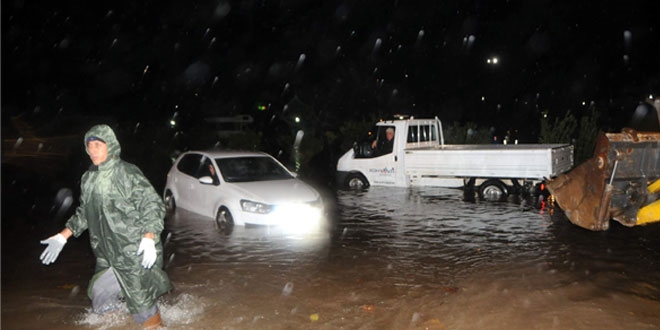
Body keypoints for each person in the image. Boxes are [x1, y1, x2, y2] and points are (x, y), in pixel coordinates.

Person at [39, 124, 171, 329]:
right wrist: (62, 237)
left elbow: (152, 205)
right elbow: (84, 213)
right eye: (89, 145)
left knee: (141, 303)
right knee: (101, 297)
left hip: (133, 251)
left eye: (98, 145)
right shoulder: (88, 178)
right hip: (106, 254)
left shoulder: (126, 172)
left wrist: (149, 237)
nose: (92, 150)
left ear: (110, 146)